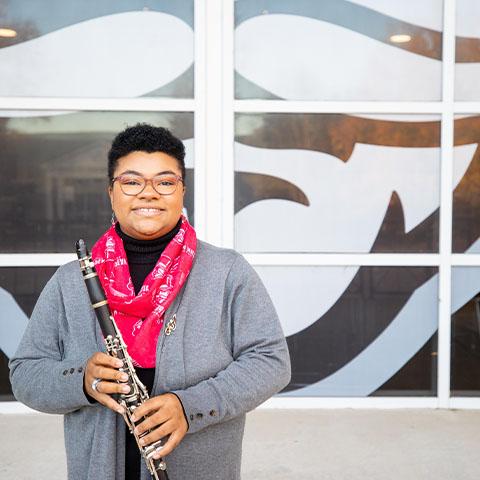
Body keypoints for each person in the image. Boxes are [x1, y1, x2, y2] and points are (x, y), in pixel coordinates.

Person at [9, 123, 291, 480]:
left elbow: (271, 362)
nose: (148, 193)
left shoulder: (227, 271)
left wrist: (190, 407)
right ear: (111, 193)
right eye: (131, 182)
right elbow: (25, 374)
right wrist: (82, 380)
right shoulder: (71, 281)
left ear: (181, 192)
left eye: (165, 181)